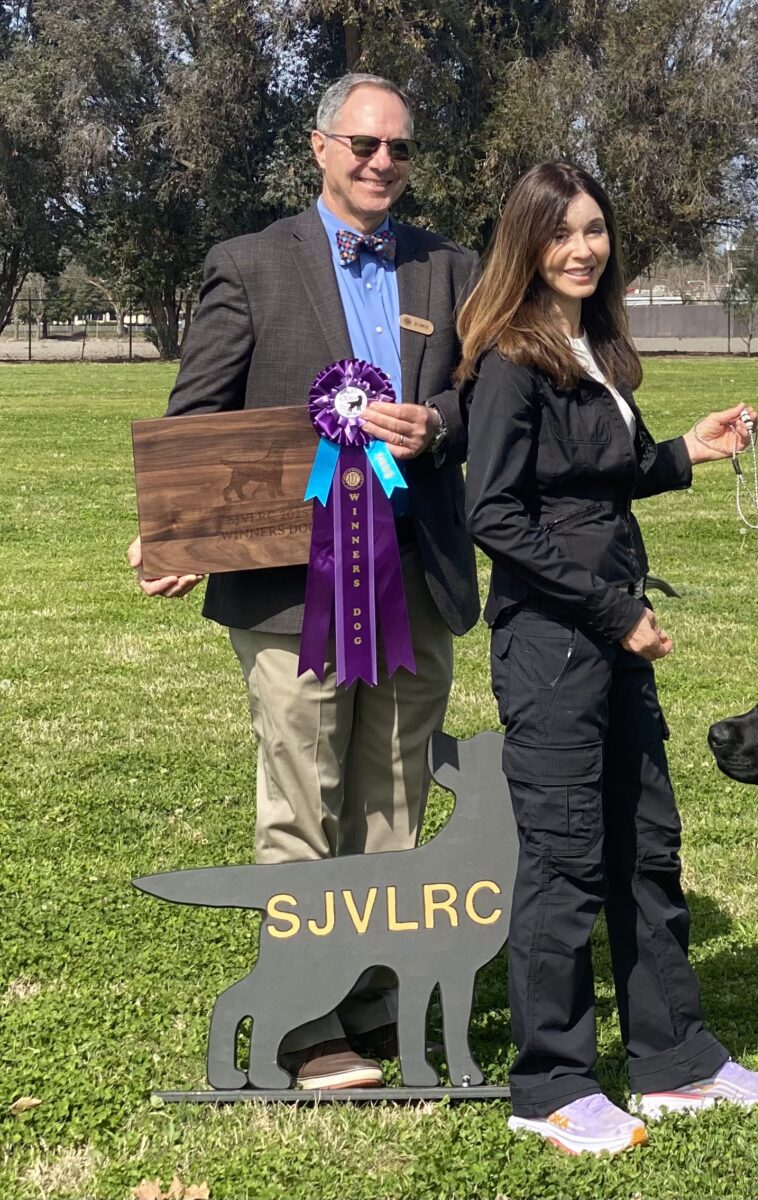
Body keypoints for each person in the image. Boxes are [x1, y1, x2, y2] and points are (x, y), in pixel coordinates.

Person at [126, 73, 479, 1089]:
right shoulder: (249, 266)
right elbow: (196, 416)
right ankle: (306, 1023)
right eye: (363, 145)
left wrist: (439, 427)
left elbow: (482, 394)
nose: (381, 164)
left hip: (418, 577)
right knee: (301, 800)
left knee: (395, 802)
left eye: (399, 149)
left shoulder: (449, 268)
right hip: (292, 588)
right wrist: (175, 534)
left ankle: (378, 1003)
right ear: (318, 147)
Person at [460, 161, 758, 1156]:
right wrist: (614, 612)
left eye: (595, 229)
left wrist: (688, 451)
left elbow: (603, 480)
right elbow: (498, 515)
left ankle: (675, 1057)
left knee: (646, 850)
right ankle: (551, 1084)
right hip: (554, 648)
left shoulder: (589, 346)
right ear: (526, 242)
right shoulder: (510, 361)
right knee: (563, 865)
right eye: (562, 232)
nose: (582, 248)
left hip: (610, 638)